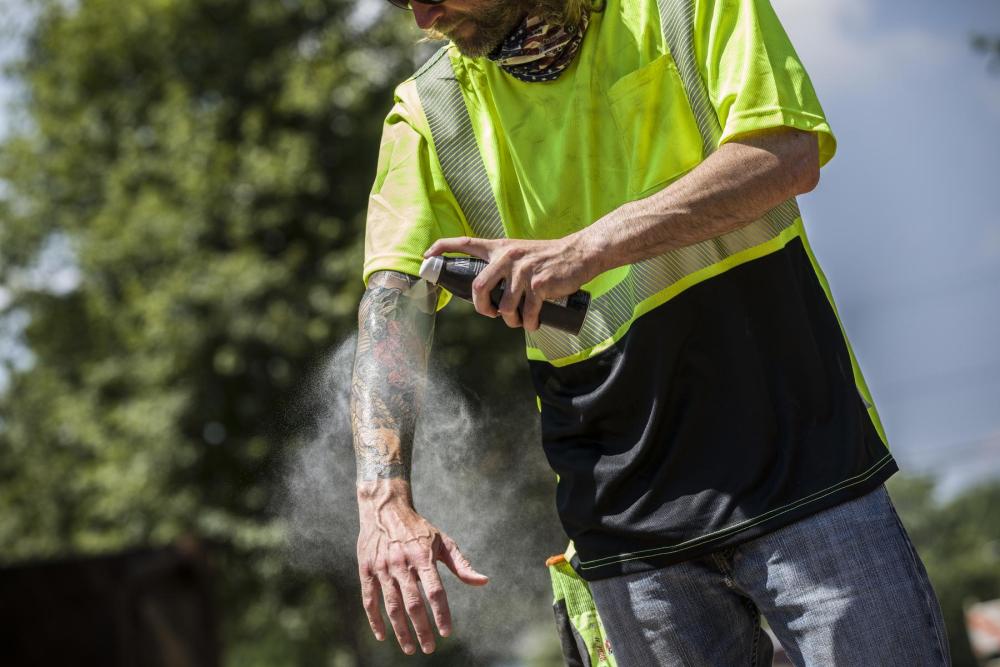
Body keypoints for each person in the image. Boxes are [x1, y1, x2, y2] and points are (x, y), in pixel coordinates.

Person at [350, 0, 952, 663]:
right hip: (623, 535)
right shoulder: (428, 110)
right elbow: (391, 305)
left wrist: (589, 247)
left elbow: (786, 152)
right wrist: (385, 499)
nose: (422, 17)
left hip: (805, 473)